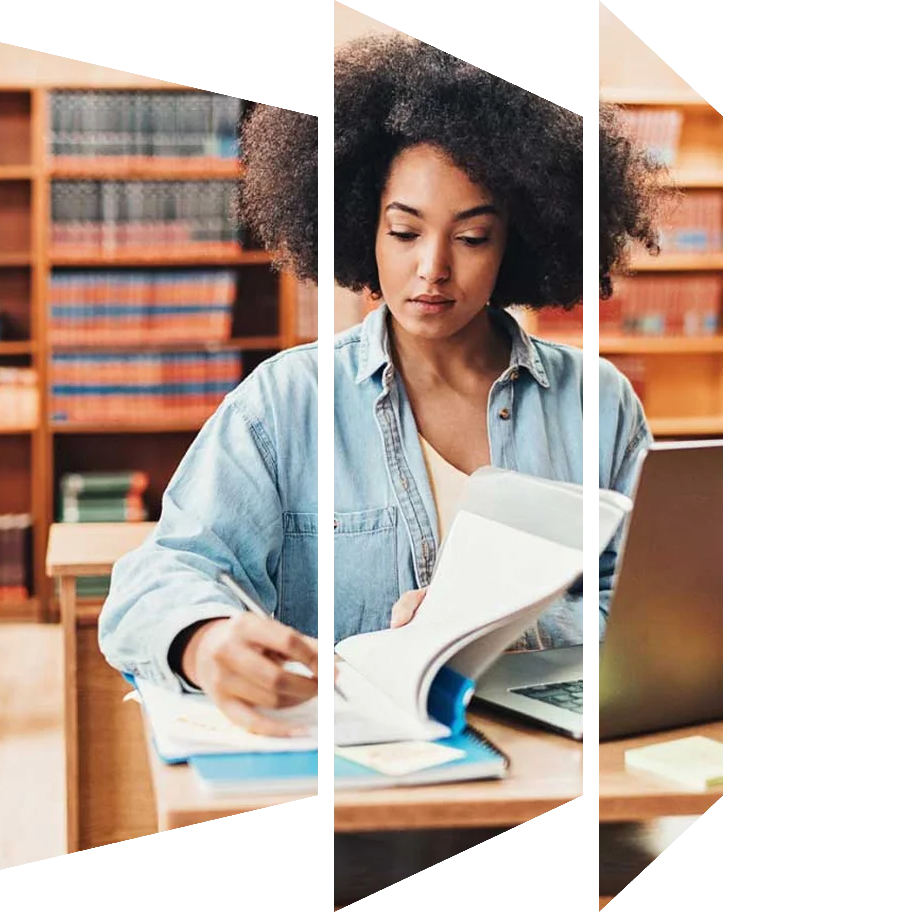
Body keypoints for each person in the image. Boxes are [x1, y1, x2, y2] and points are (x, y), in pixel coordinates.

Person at [97, 34, 669, 737]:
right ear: (362, 228)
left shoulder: (599, 406)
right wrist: (205, 640)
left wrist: (512, 627)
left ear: (516, 243)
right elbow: (156, 578)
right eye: (404, 231)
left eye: (471, 237)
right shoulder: (287, 402)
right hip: (363, 784)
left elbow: (658, 610)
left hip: (556, 772)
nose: (432, 268)